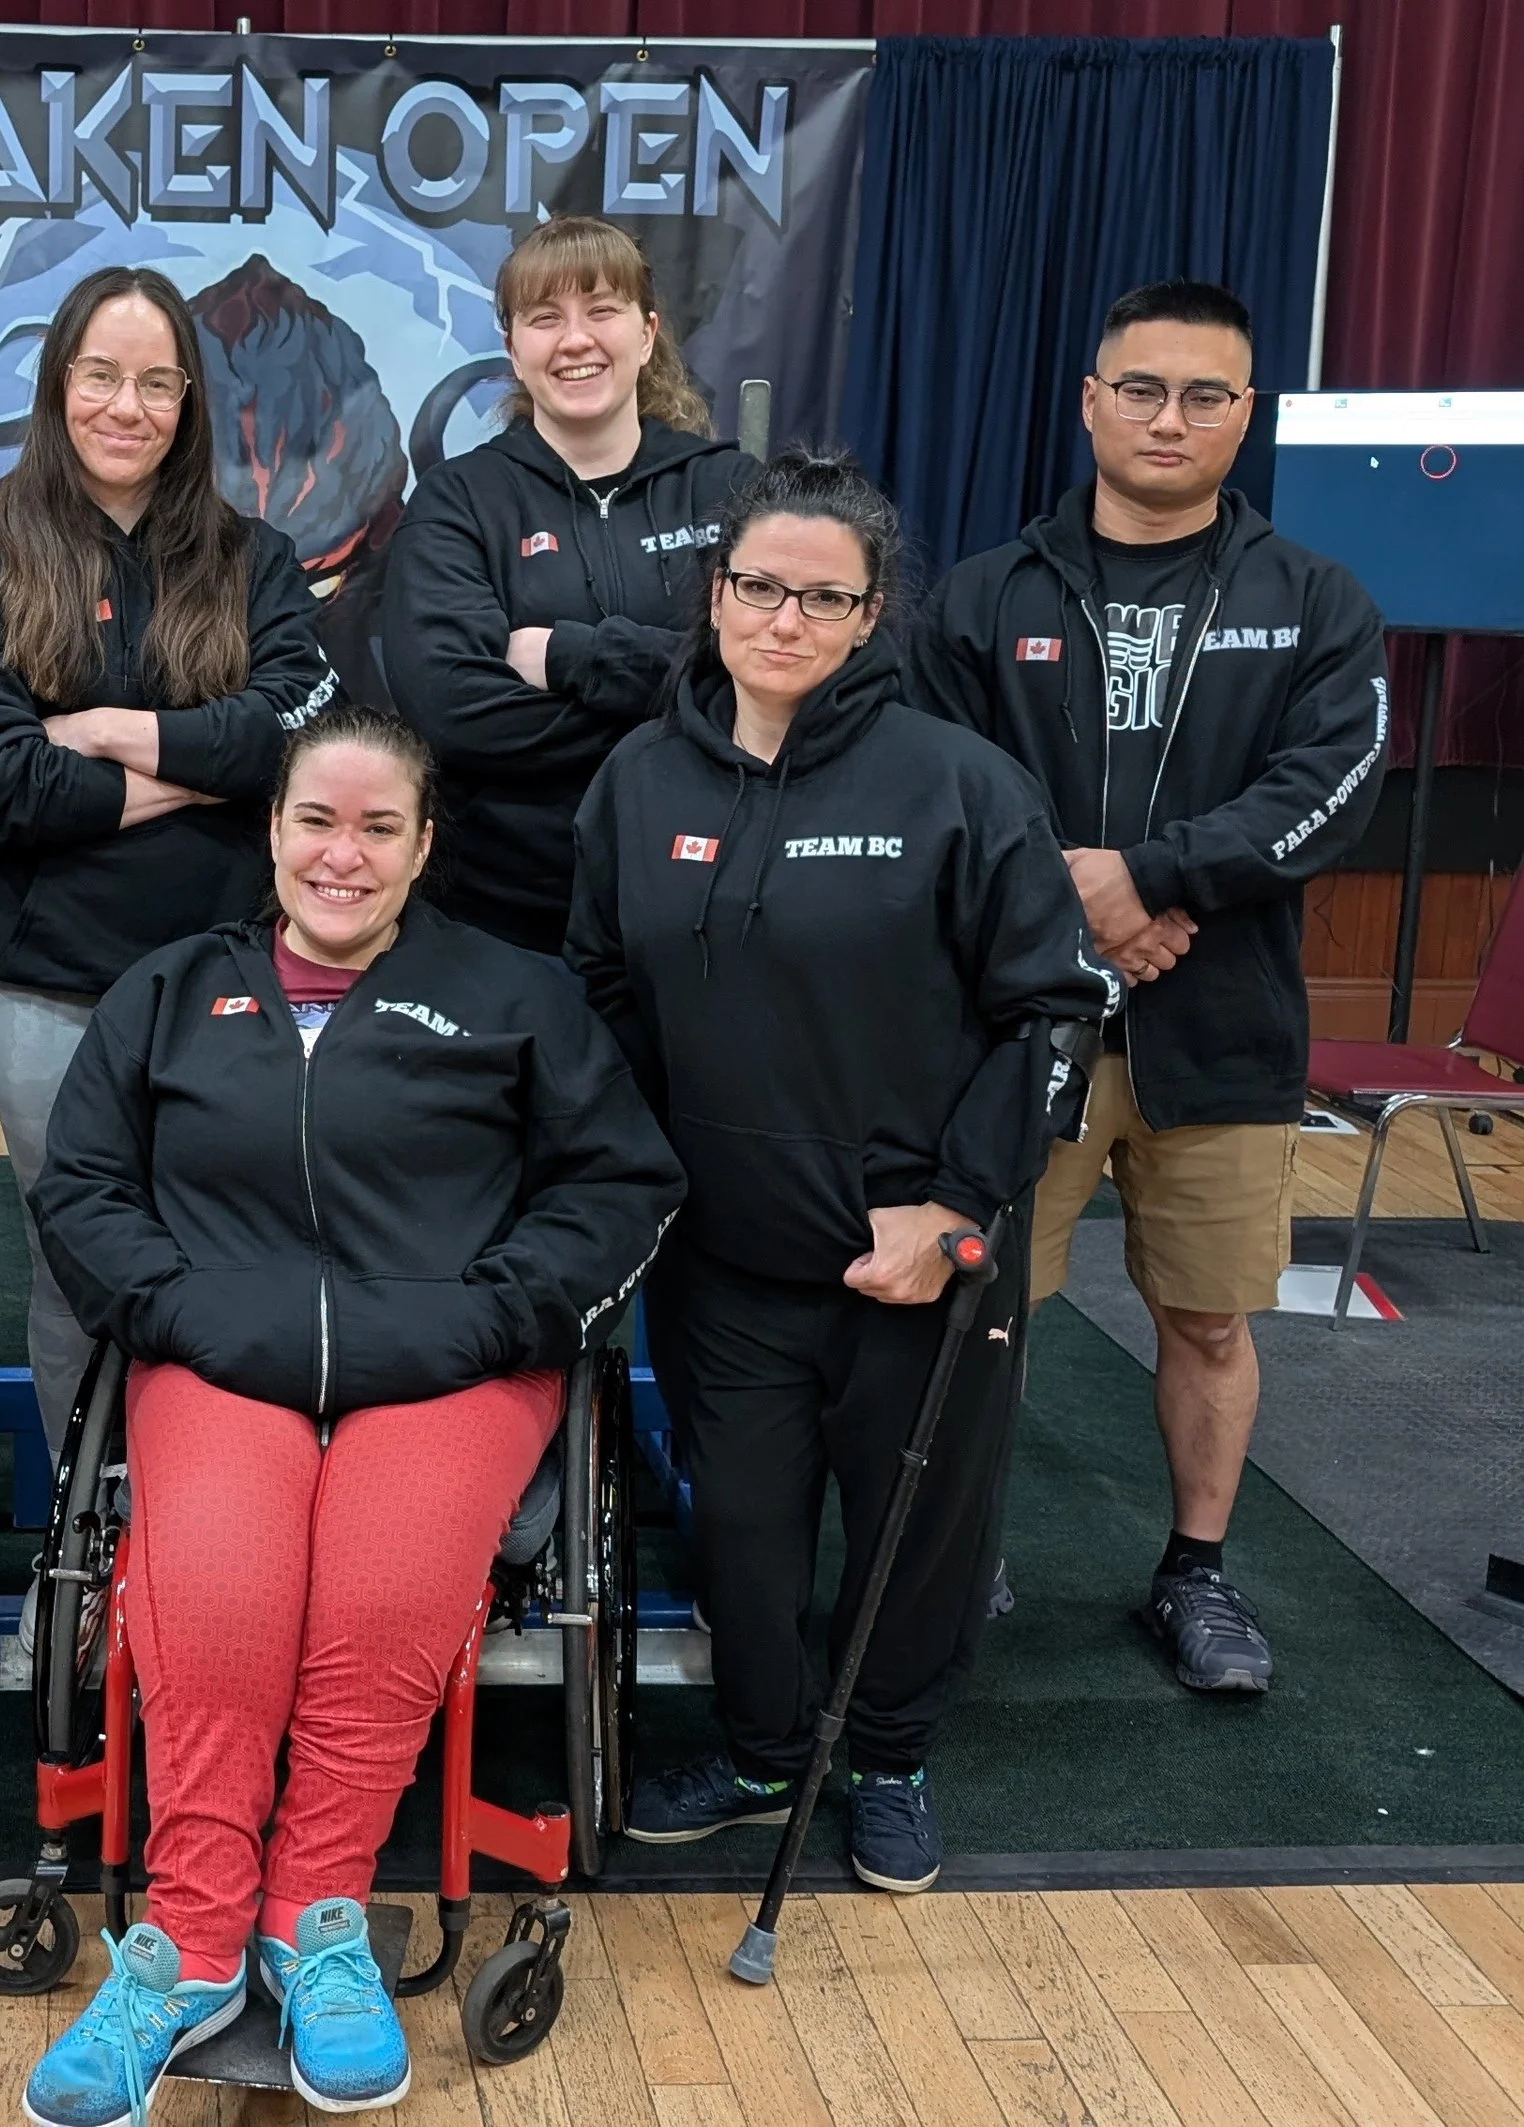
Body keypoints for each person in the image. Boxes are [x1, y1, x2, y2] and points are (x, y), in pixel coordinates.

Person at [23, 708, 681, 2125]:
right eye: (318, 818)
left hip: (451, 1357)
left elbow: (620, 1186)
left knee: (382, 1590)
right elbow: (81, 1188)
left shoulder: (512, 994)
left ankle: (317, 1908)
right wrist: (185, 1312)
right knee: (217, 1585)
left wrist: (493, 1314)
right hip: (224, 1350)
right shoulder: (170, 989)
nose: (344, 851)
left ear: (426, 843)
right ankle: (192, 1940)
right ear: (271, 832)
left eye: (380, 825)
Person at [570, 450, 1116, 1893]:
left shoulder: (958, 782)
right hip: (722, 1255)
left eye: (826, 597)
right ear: (716, 591)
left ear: (873, 616)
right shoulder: (637, 780)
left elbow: (1055, 1005)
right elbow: (598, 993)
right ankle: (762, 1748)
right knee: (743, 1525)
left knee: (917, 1534)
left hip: (915, 1256)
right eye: (759, 587)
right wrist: (637, 1182)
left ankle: (886, 1757)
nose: (785, 619)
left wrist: (954, 1207)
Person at [910, 280, 1389, 1694]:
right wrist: (1085, 899)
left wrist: (1161, 878)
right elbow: (935, 782)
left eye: (1203, 395)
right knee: (984, 1313)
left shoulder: (1314, 600)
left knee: (1211, 1315)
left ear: (1247, 415)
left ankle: (1195, 1570)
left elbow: (1333, 787)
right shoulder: (988, 594)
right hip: (1017, 1026)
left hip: (1223, 1023)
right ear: (1090, 401)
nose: (1168, 418)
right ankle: (962, 1552)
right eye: (1142, 389)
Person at [0, 263, 337, 1453]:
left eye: (156, 382)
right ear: (58, 387)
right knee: (77, 1274)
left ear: (191, 402)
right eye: (100, 375)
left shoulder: (257, 561)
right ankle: (87, 1560)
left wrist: (108, 733)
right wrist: (210, 761)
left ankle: (215, 1527)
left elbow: (301, 736)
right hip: (48, 991)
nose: (126, 407)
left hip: (232, 988)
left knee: (231, 1259)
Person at [384, 216, 755, 956]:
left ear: (647, 335)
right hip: (506, 924)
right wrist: (690, 711)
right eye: (545, 318)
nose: (575, 339)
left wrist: (568, 658)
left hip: (709, 912)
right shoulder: (459, 501)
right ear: (514, 349)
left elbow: (783, 671)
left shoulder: (730, 488)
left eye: (602, 310)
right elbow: (453, 709)